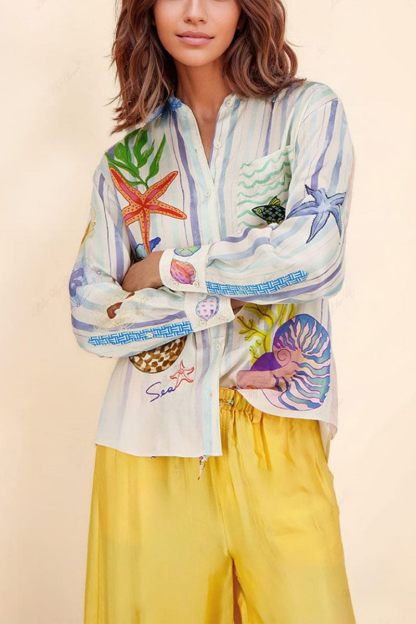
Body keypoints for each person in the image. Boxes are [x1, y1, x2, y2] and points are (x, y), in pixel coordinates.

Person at [68, 0, 357, 621]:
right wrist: (222, 297)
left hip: (276, 424)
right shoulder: (126, 162)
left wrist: (167, 268)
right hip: (149, 440)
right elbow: (92, 317)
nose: (195, 12)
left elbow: (316, 256)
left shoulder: (306, 113)